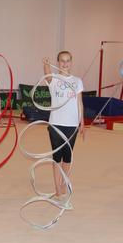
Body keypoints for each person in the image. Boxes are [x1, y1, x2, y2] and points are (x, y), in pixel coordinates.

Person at [42, 51, 84, 202]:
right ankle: (57, 189)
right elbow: (47, 75)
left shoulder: (77, 81)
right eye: (62, 61)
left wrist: (82, 122)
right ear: (58, 62)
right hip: (56, 124)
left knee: (67, 158)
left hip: (72, 125)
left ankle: (64, 183)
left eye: (67, 61)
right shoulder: (53, 79)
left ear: (71, 62)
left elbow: (79, 102)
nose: (65, 63)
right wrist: (46, 65)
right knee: (57, 158)